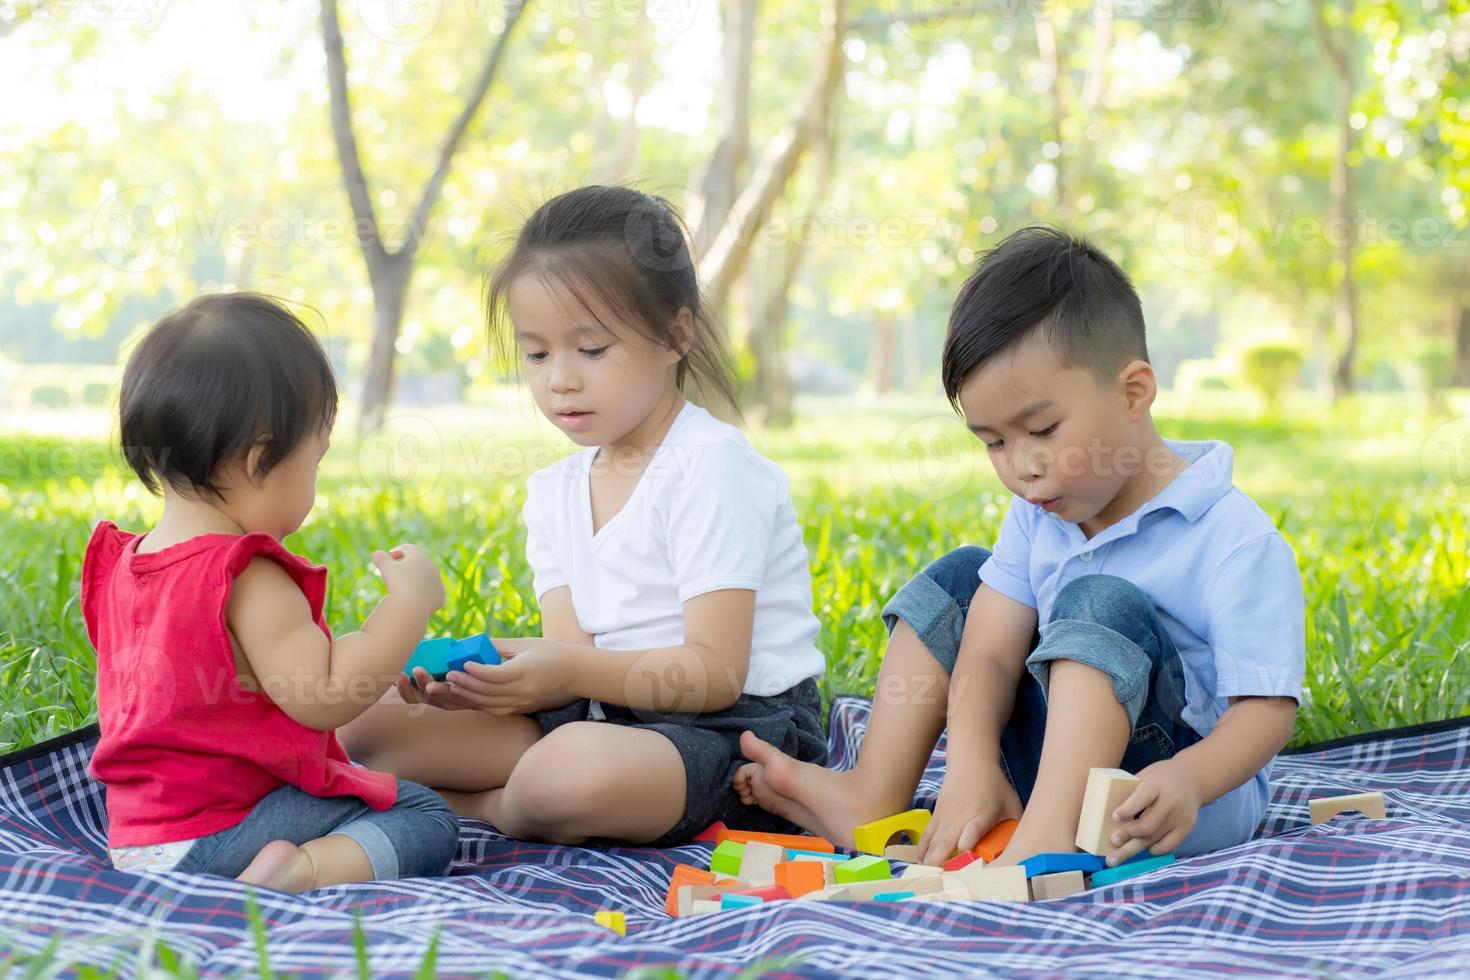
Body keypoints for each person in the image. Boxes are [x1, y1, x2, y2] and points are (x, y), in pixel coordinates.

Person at [734, 226, 1305, 868]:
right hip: (1045, 772)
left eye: (1041, 430)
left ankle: (1045, 846)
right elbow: (991, 651)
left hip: (1158, 794)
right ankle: (874, 795)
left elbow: (1265, 711)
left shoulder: (1232, 536)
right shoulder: (1039, 515)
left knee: (1100, 603)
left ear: (1133, 391)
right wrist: (972, 765)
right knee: (964, 579)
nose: (1021, 468)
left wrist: (1191, 780)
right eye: (994, 443)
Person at [340, 186, 828, 847]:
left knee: (557, 778)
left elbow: (714, 672)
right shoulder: (555, 491)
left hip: (732, 728)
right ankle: (496, 796)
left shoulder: (710, 467)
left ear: (673, 336)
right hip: (603, 713)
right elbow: (571, 657)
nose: (559, 380)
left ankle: (488, 807)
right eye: (537, 354)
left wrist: (564, 672)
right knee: (362, 725)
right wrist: (485, 676)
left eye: (591, 350)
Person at [83, 293, 460, 891]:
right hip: (220, 833)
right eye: (316, 458)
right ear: (261, 459)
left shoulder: (127, 563)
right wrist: (407, 606)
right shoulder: (244, 574)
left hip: (136, 841)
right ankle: (295, 875)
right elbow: (328, 695)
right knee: (426, 815)